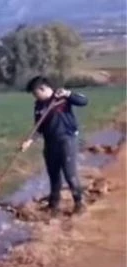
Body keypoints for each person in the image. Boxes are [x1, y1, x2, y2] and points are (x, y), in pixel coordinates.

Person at [20, 75, 89, 216]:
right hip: (50, 143)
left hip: (67, 140)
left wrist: (68, 94)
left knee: (70, 174)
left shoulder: (62, 98)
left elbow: (83, 101)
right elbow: (38, 128)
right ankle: (54, 205)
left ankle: (79, 203)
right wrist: (29, 141)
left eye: (35, 93)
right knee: (53, 176)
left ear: (43, 88)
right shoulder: (39, 106)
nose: (35, 96)